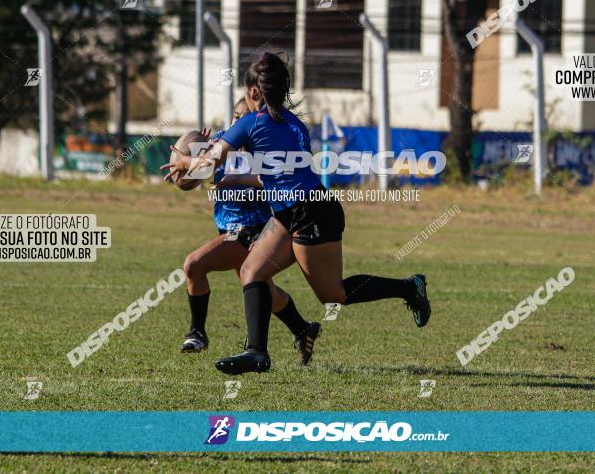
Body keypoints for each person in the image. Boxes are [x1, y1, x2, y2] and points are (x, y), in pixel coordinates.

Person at [163, 51, 430, 375]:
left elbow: (207, 165)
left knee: (334, 294)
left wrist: (183, 162)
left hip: (308, 212)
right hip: (295, 211)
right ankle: (257, 353)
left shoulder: (252, 122)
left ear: (252, 92)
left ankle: (407, 287)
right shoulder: (294, 124)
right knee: (252, 272)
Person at [179, 99, 321, 365]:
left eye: (244, 118)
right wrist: (189, 158)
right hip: (228, 229)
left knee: (193, 265)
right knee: (262, 289)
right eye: (235, 117)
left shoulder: (263, 148)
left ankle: (197, 333)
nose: (237, 122)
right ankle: (303, 329)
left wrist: (238, 179)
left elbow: (272, 179)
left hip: (254, 231)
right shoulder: (222, 144)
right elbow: (188, 177)